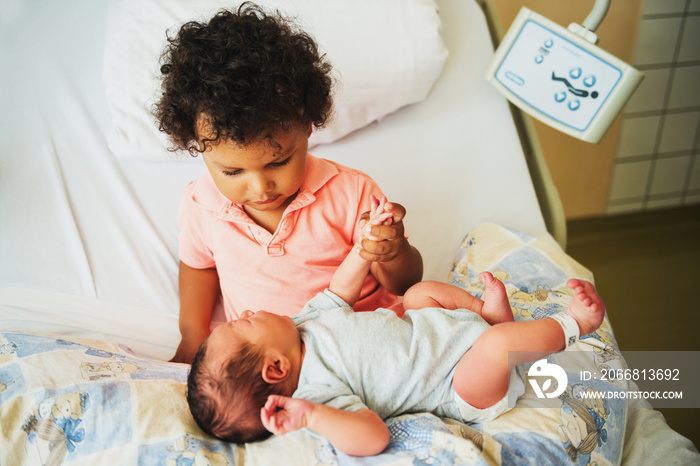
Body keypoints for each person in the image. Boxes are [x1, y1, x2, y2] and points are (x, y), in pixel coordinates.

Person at [186, 197, 606, 457]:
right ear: (276, 368)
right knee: (497, 346)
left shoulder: (305, 324)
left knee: (419, 293)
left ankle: (485, 313)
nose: (241, 314)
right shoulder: (318, 392)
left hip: (440, 330)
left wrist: (365, 247)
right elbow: (371, 438)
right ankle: (574, 324)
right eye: (241, 326)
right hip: (460, 386)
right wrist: (312, 416)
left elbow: (341, 289)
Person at [154, 3, 423, 363]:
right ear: (196, 145)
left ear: (307, 125)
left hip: (363, 350)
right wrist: (192, 336)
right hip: (266, 361)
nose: (261, 188)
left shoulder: (352, 194)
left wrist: (392, 253)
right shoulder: (201, 204)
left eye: (278, 162)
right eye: (233, 172)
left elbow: (404, 286)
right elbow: (199, 266)